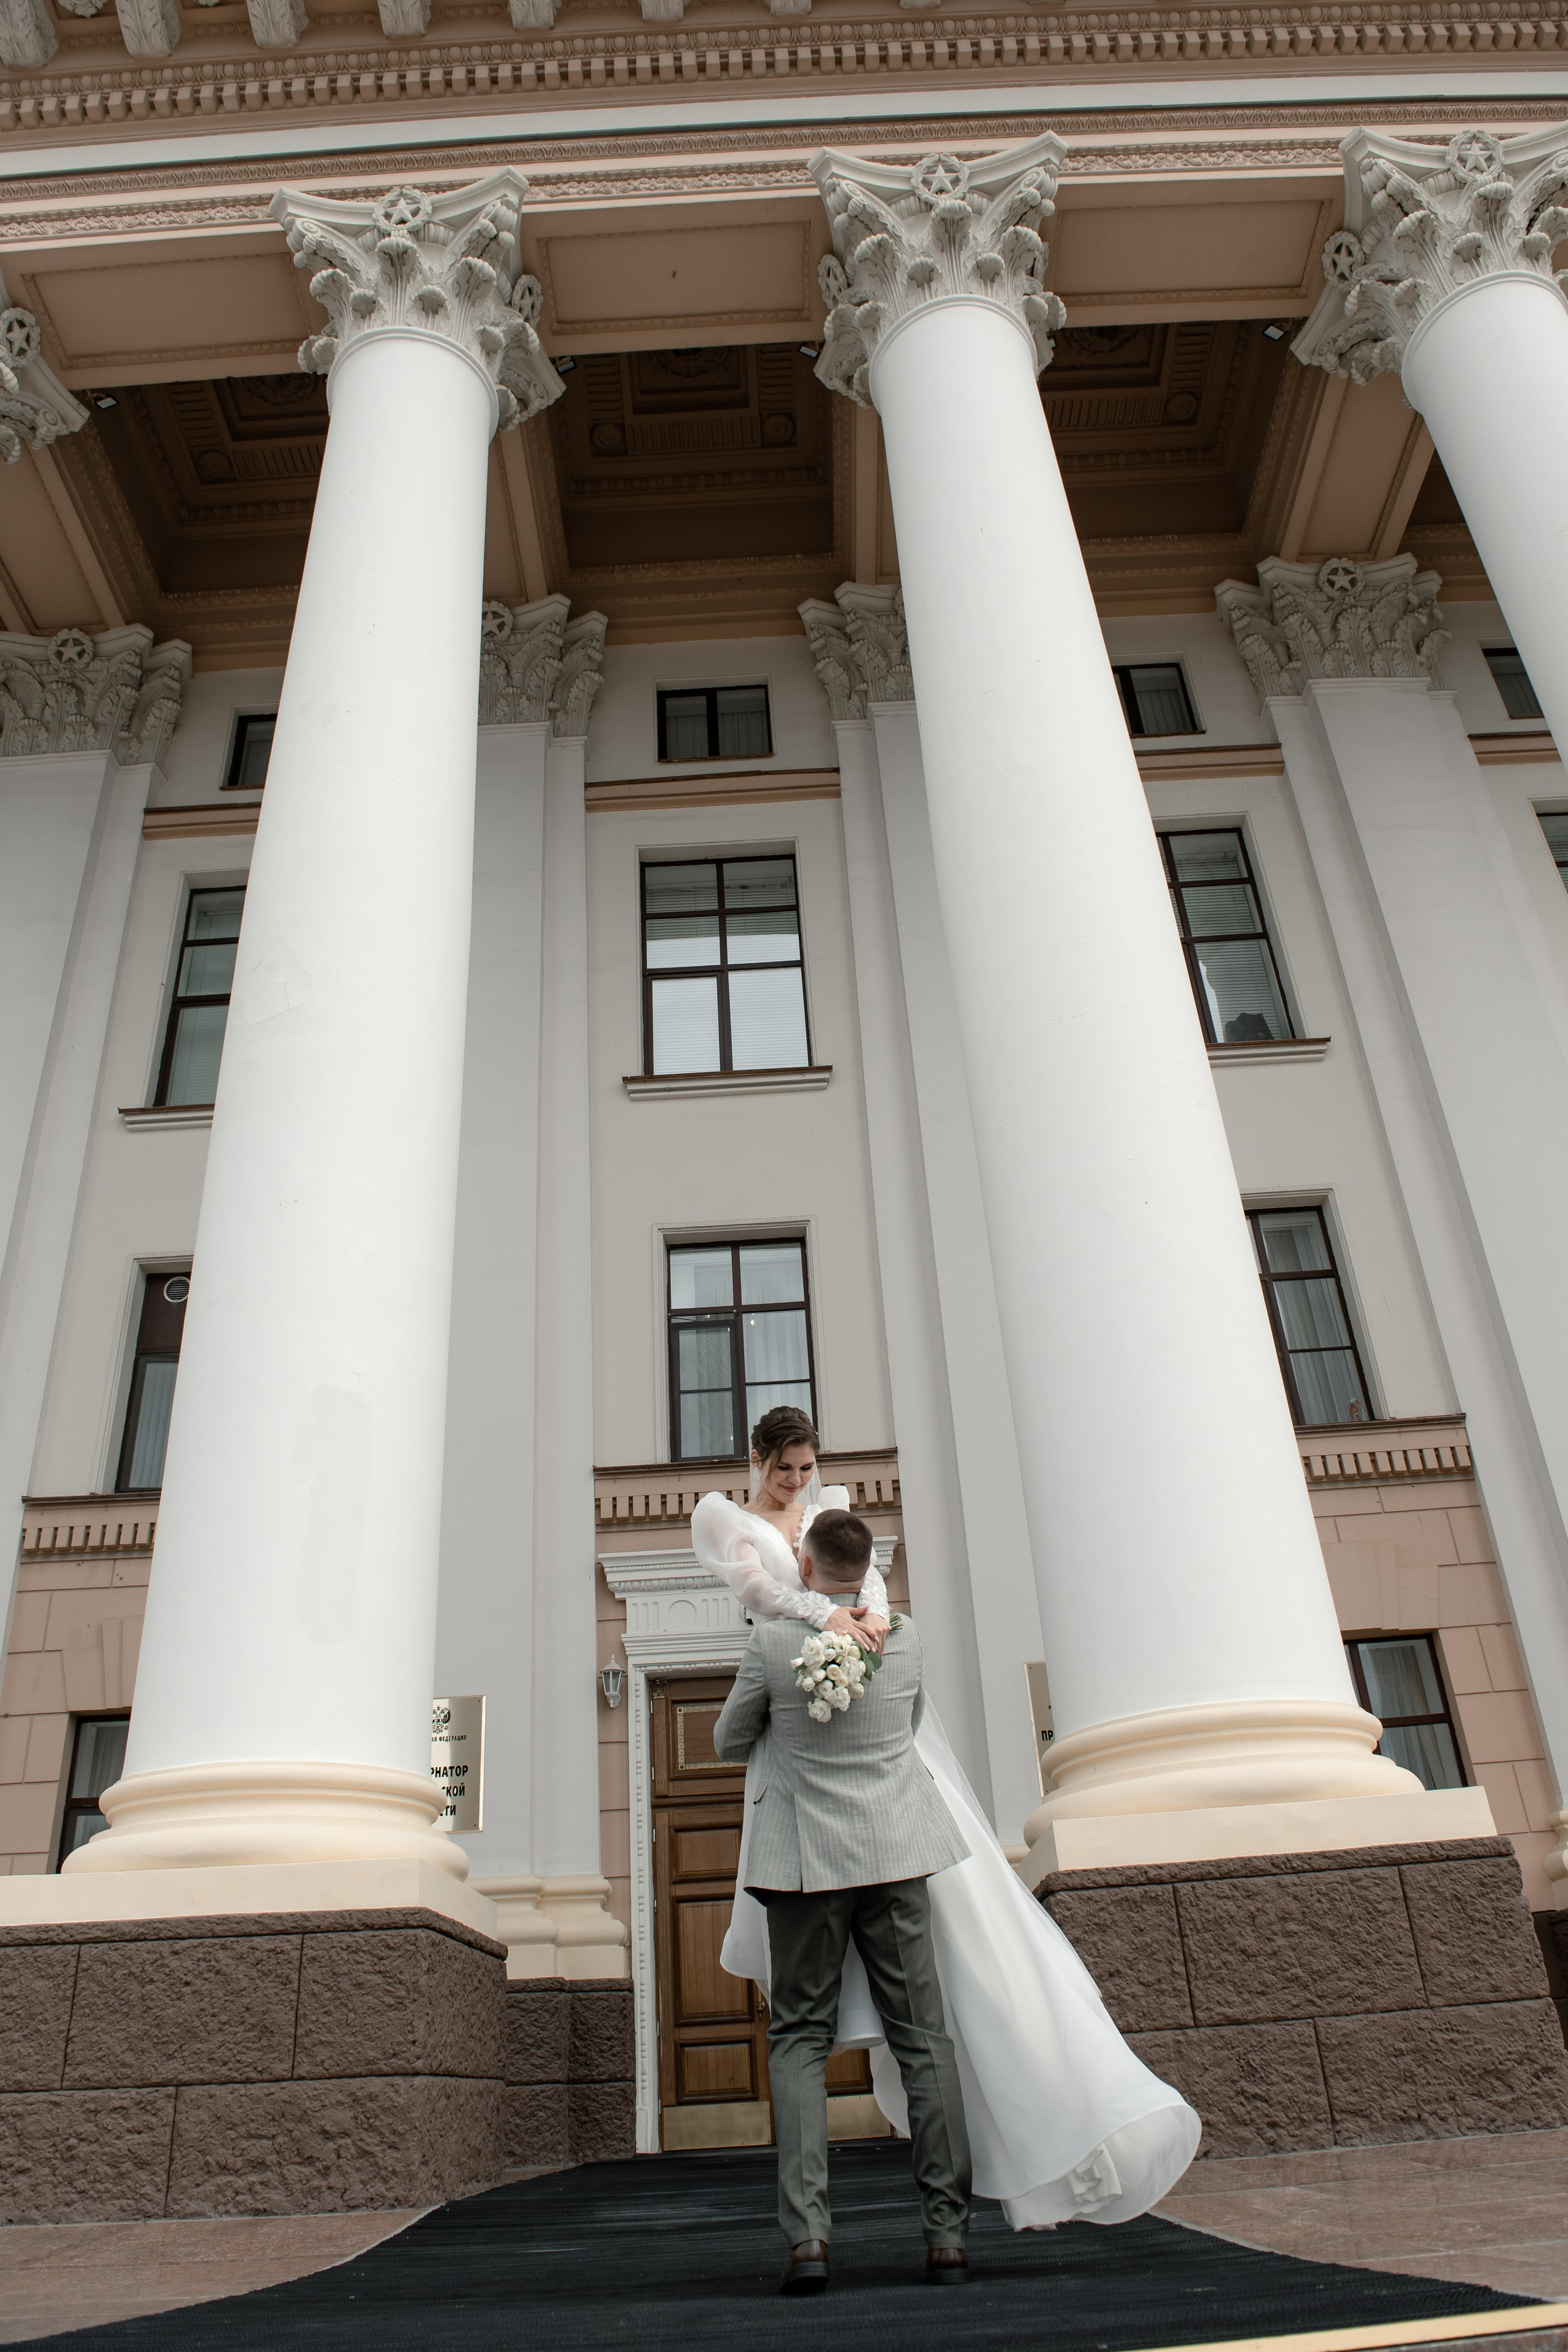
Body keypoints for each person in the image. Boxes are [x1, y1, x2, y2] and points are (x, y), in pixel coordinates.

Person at [690, 1406, 1201, 2235]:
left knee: (814, 2029)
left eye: (806, 1469)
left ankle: (823, 2233)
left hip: (823, 1810)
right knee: (907, 2025)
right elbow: (761, 1593)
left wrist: (874, 1620)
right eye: (786, 1470)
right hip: (839, 1756)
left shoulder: (841, 1535)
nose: (797, 1482)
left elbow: (865, 1590)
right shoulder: (734, 1527)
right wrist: (832, 1620)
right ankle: (943, 2228)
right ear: (757, 1461)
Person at [712, 1544, 973, 2293]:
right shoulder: (909, 1638)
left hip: (804, 1865)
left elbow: (729, 1740)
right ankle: (948, 2236)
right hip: (895, 1853)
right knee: (923, 2039)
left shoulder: (769, 1642)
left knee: (799, 2038)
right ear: (868, 1566)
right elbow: (908, 1726)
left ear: (806, 1565)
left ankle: (809, 2240)